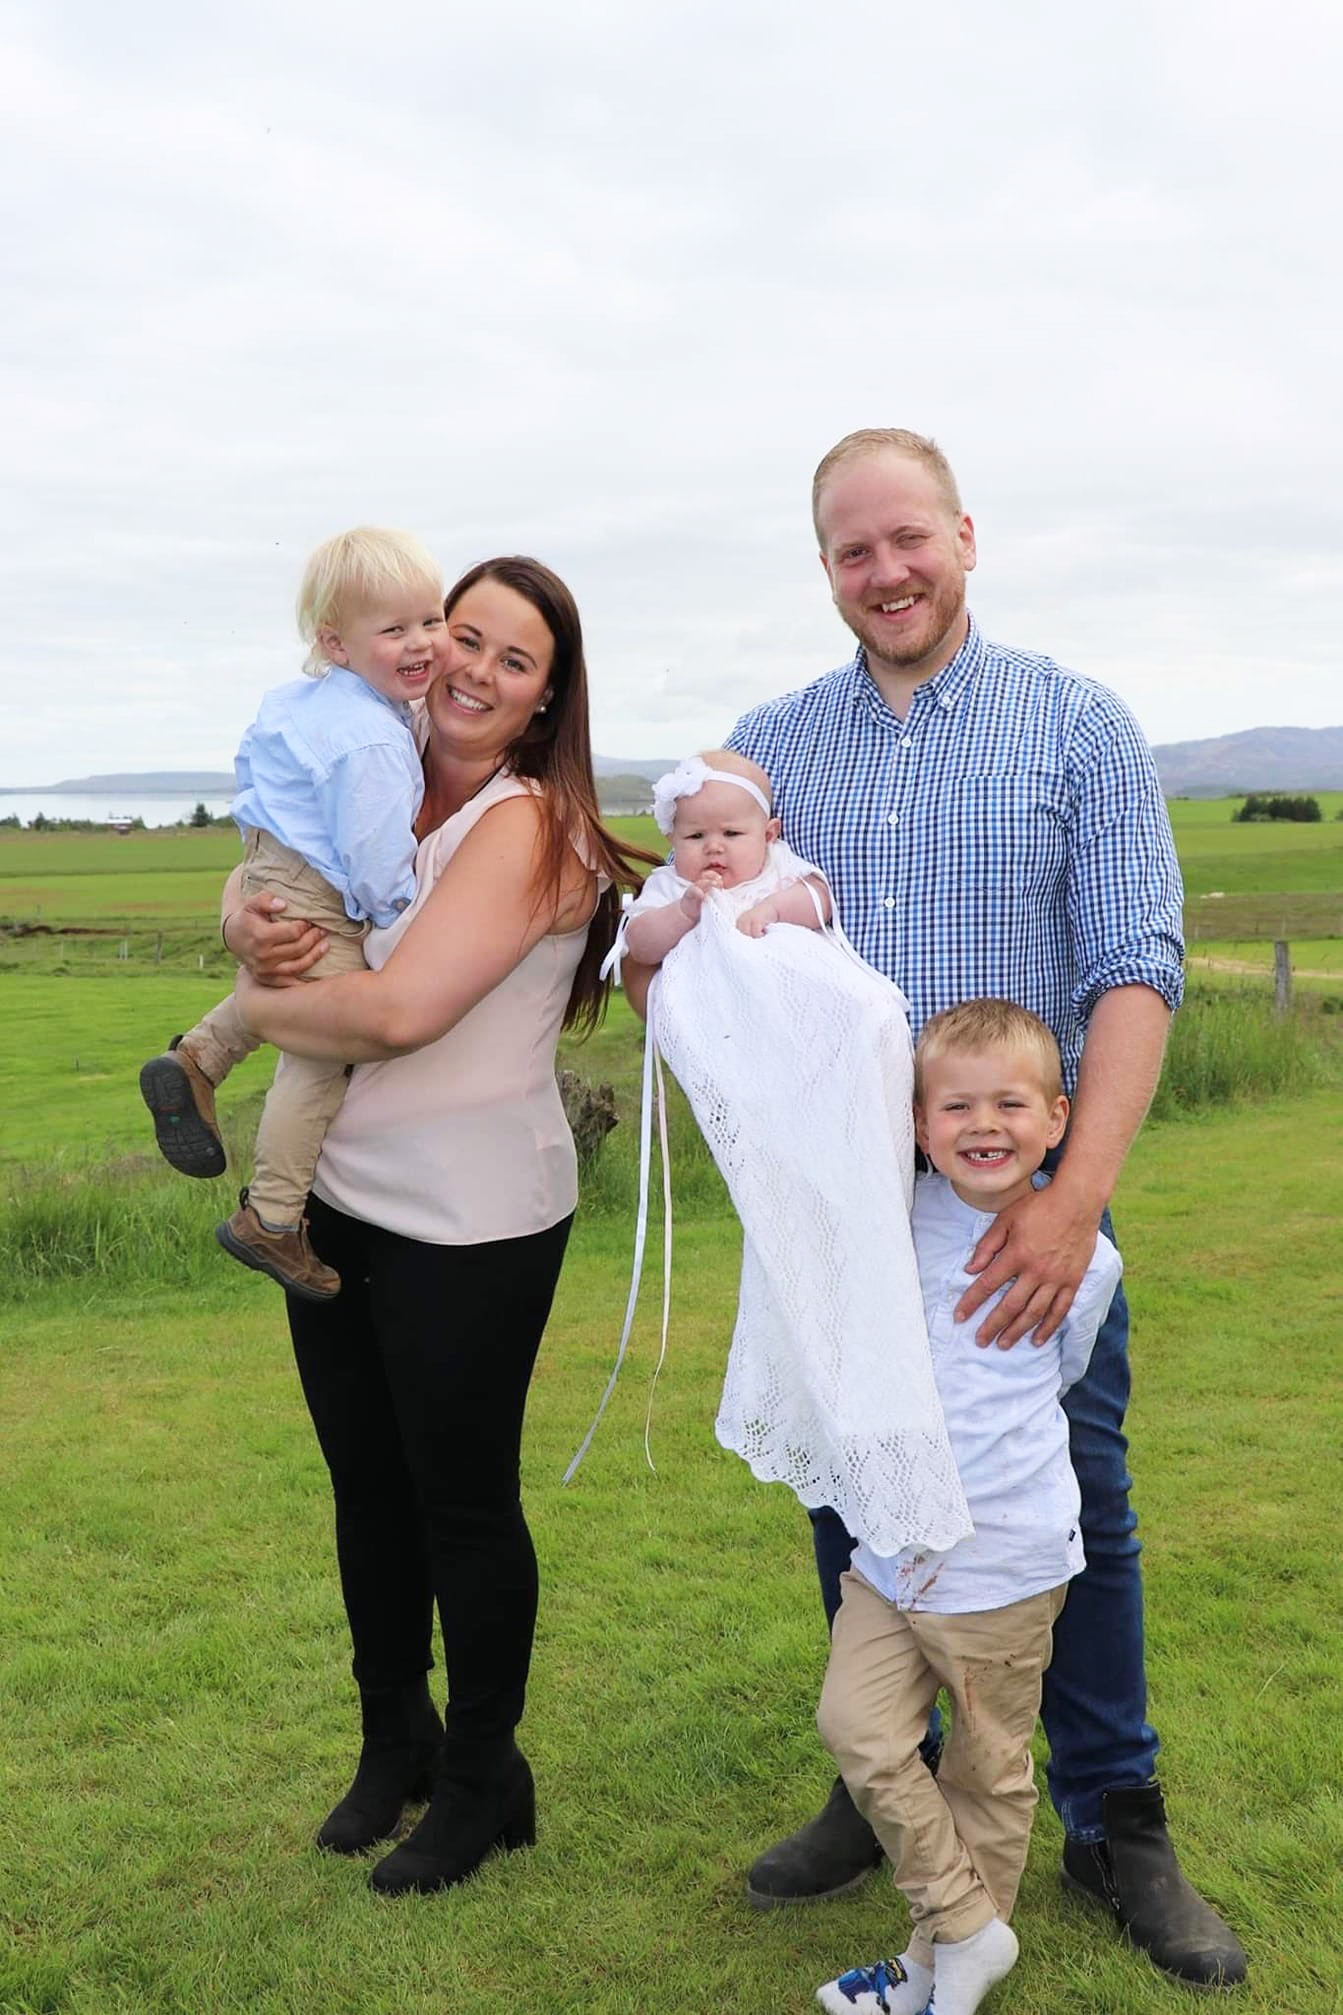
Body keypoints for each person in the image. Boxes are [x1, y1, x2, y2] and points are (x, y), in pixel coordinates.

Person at [707, 427, 1243, 1987]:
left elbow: (1133, 964)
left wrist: (1073, 1200)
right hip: (841, 1223)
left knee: (1071, 1502)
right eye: (850, 549)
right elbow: (711, 932)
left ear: (961, 535)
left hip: (1023, 1210)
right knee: (853, 1496)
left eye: (906, 538)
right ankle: (878, 1772)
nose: (883, 571)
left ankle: (1114, 1818)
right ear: (823, 567)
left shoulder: (1072, 723)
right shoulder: (767, 750)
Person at [218, 556, 655, 1897]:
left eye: (514, 660)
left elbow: (399, 1011)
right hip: (340, 1198)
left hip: (472, 1217)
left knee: (460, 1499)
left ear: (544, 701)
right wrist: (240, 916)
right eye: (464, 637)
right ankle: (392, 1739)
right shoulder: (377, 769)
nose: (473, 669)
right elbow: (281, 879)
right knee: (366, 1486)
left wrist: (233, 1013)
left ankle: (480, 1779)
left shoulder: (531, 826)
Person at [816, 999, 1120, 2015]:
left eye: (1009, 1103)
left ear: (1056, 1116)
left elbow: (1061, 1370)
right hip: (889, 1550)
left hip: (1004, 1557)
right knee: (858, 1728)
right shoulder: (893, 1218)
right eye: (954, 1106)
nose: (982, 1123)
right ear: (917, 1123)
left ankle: (930, 1969)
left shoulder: (1082, 1255)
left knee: (985, 1771)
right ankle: (965, 1927)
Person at [138, 526, 450, 1301]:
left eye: (432, 619)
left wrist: (254, 880)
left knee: (281, 980)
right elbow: (374, 852)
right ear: (336, 643)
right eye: (395, 629)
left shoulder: (307, 703)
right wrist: (396, 915)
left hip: (272, 863)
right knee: (320, 1051)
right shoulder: (371, 738)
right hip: (323, 887)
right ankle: (273, 1217)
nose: (420, 642)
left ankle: (199, 1059)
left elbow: (259, 782)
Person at [619, 748, 833, 966]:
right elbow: (639, 946)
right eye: (696, 836)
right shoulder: (670, 885)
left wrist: (773, 909)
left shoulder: (776, 865)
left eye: (731, 833)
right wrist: (681, 913)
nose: (713, 847)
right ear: (672, 839)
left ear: (768, 835)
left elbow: (820, 901)